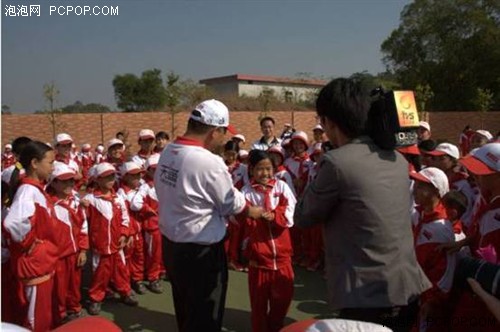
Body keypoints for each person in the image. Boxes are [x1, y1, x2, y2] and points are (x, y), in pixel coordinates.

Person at [294, 78, 431, 332]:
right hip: (407, 288)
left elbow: (303, 216)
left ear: (328, 122)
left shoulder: (336, 163)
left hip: (366, 296)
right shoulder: (398, 159)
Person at [154, 99, 264, 332]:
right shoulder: (208, 161)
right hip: (201, 252)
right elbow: (229, 203)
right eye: (224, 133)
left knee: (184, 308)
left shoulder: (168, 152)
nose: (225, 140)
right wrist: (251, 210)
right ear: (214, 132)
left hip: (173, 246)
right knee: (205, 316)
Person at [3, 141, 61, 331]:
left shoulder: (34, 189)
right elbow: (13, 223)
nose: (53, 167)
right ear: (35, 163)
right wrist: (31, 245)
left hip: (40, 263)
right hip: (35, 264)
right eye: (50, 162)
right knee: (37, 319)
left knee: (43, 315)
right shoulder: (28, 191)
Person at [238, 150, 296, 332]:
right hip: (258, 262)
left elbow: (291, 211)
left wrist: (274, 215)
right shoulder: (245, 193)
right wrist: (252, 215)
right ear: (251, 170)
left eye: (268, 169)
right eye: (260, 169)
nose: (265, 173)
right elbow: (238, 219)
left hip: (283, 260)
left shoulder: (281, 187)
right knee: (258, 307)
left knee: (281, 303)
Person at [84, 162, 138, 315]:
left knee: (121, 271)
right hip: (100, 247)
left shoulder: (118, 198)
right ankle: (96, 298)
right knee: (99, 275)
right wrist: (82, 206)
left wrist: (124, 234)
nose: (110, 179)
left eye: (112, 176)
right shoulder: (91, 199)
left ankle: (125, 292)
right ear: (98, 180)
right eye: (106, 177)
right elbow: (82, 221)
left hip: (117, 245)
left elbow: (125, 219)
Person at [410, 167, 457, 331]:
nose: (415, 189)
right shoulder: (418, 214)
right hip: (416, 290)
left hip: (430, 299)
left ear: (436, 191)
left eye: (421, 186)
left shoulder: (442, 227)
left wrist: (432, 300)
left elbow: (446, 270)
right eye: (415, 184)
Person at [46, 162, 89, 324]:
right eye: (64, 181)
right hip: (58, 256)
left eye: (71, 180)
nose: (70, 184)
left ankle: (74, 308)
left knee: (74, 284)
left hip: (75, 253)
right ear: (54, 182)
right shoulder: (48, 204)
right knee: (59, 287)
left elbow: (84, 225)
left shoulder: (76, 201)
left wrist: (83, 250)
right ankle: (60, 314)